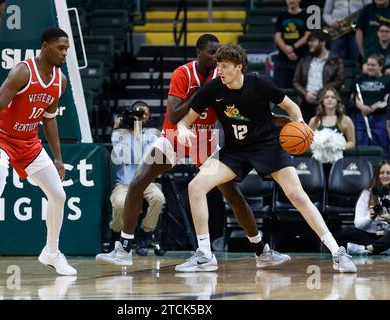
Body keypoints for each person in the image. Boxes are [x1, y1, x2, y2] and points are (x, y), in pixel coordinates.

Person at [96, 34, 290, 268]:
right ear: (198, 53)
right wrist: (203, 93)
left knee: (232, 193)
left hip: (205, 139)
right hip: (175, 135)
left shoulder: (224, 76)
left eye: (218, 52)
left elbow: (245, 108)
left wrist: (279, 120)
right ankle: (124, 249)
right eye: (211, 52)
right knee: (139, 180)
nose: (215, 56)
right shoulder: (183, 74)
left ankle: (261, 250)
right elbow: (175, 114)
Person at [176, 43, 357, 273]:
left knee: (297, 196)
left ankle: (337, 252)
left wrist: (300, 125)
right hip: (235, 150)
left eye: (224, 66)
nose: (219, 70)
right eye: (218, 66)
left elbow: (291, 107)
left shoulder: (258, 83)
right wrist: (182, 129)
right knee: (195, 186)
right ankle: (205, 255)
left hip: (268, 145)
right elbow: (184, 120)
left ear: (239, 67)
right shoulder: (212, 89)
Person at [0, 28, 77, 280]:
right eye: (60, 48)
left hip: (30, 143)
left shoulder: (60, 81)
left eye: (67, 48)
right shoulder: (23, 71)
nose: (65, 53)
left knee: (59, 195)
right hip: (1, 139)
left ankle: (51, 252)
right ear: (45, 46)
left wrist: (57, 157)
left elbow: (49, 120)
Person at [109, 101, 165, 256]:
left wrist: (137, 133)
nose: (142, 117)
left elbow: (146, 157)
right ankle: (118, 234)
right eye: (138, 113)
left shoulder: (152, 135)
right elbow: (121, 156)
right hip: (124, 183)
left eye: (145, 114)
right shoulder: (120, 134)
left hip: (146, 182)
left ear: (149, 118)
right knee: (120, 203)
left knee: (158, 198)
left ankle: (144, 234)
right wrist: (120, 128)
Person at [339, 160, 390, 255]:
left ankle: (368, 249)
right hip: (368, 235)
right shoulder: (367, 194)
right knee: (345, 232)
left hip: (387, 235)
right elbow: (357, 224)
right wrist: (370, 218)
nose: (385, 176)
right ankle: (381, 248)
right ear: (377, 175)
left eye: (388, 173)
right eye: (382, 173)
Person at [293, 30, 344, 122]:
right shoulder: (304, 60)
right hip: (306, 103)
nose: (309, 44)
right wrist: (305, 93)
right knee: (306, 134)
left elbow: (340, 80)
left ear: (323, 42)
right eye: (309, 41)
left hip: (326, 103)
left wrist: (322, 92)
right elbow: (296, 81)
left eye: (313, 41)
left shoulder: (335, 60)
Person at [351, 54, 390, 155]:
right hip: (361, 117)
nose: (370, 67)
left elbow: (387, 99)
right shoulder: (360, 80)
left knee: (380, 147)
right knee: (359, 146)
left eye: (373, 65)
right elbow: (355, 97)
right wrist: (362, 107)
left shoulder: (387, 80)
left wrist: (371, 108)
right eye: (368, 64)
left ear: (381, 66)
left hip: (380, 117)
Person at [273, 0, 310, 88]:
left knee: (303, 88)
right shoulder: (281, 16)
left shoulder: (307, 15)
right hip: (283, 58)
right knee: (280, 89)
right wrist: (287, 51)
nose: (291, 1)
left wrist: (293, 47)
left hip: (302, 58)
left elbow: (308, 35)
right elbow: (277, 36)